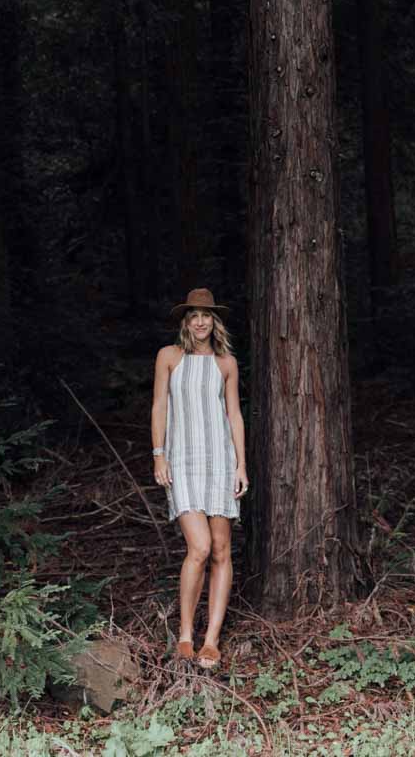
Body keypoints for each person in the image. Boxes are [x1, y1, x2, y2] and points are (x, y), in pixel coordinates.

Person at [150, 287, 248, 670]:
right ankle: (186, 633)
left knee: (222, 550)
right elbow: (159, 405)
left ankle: (211, 640)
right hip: (183, 462)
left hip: (220, 462)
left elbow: (234, 416)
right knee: (200, 547)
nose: (201, 321)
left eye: (207, 315)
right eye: (194, 315)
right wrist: (159, 454)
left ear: (215, 321)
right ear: (185, 321)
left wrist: (241, 465)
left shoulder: (227, 363)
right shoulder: (169, 357)